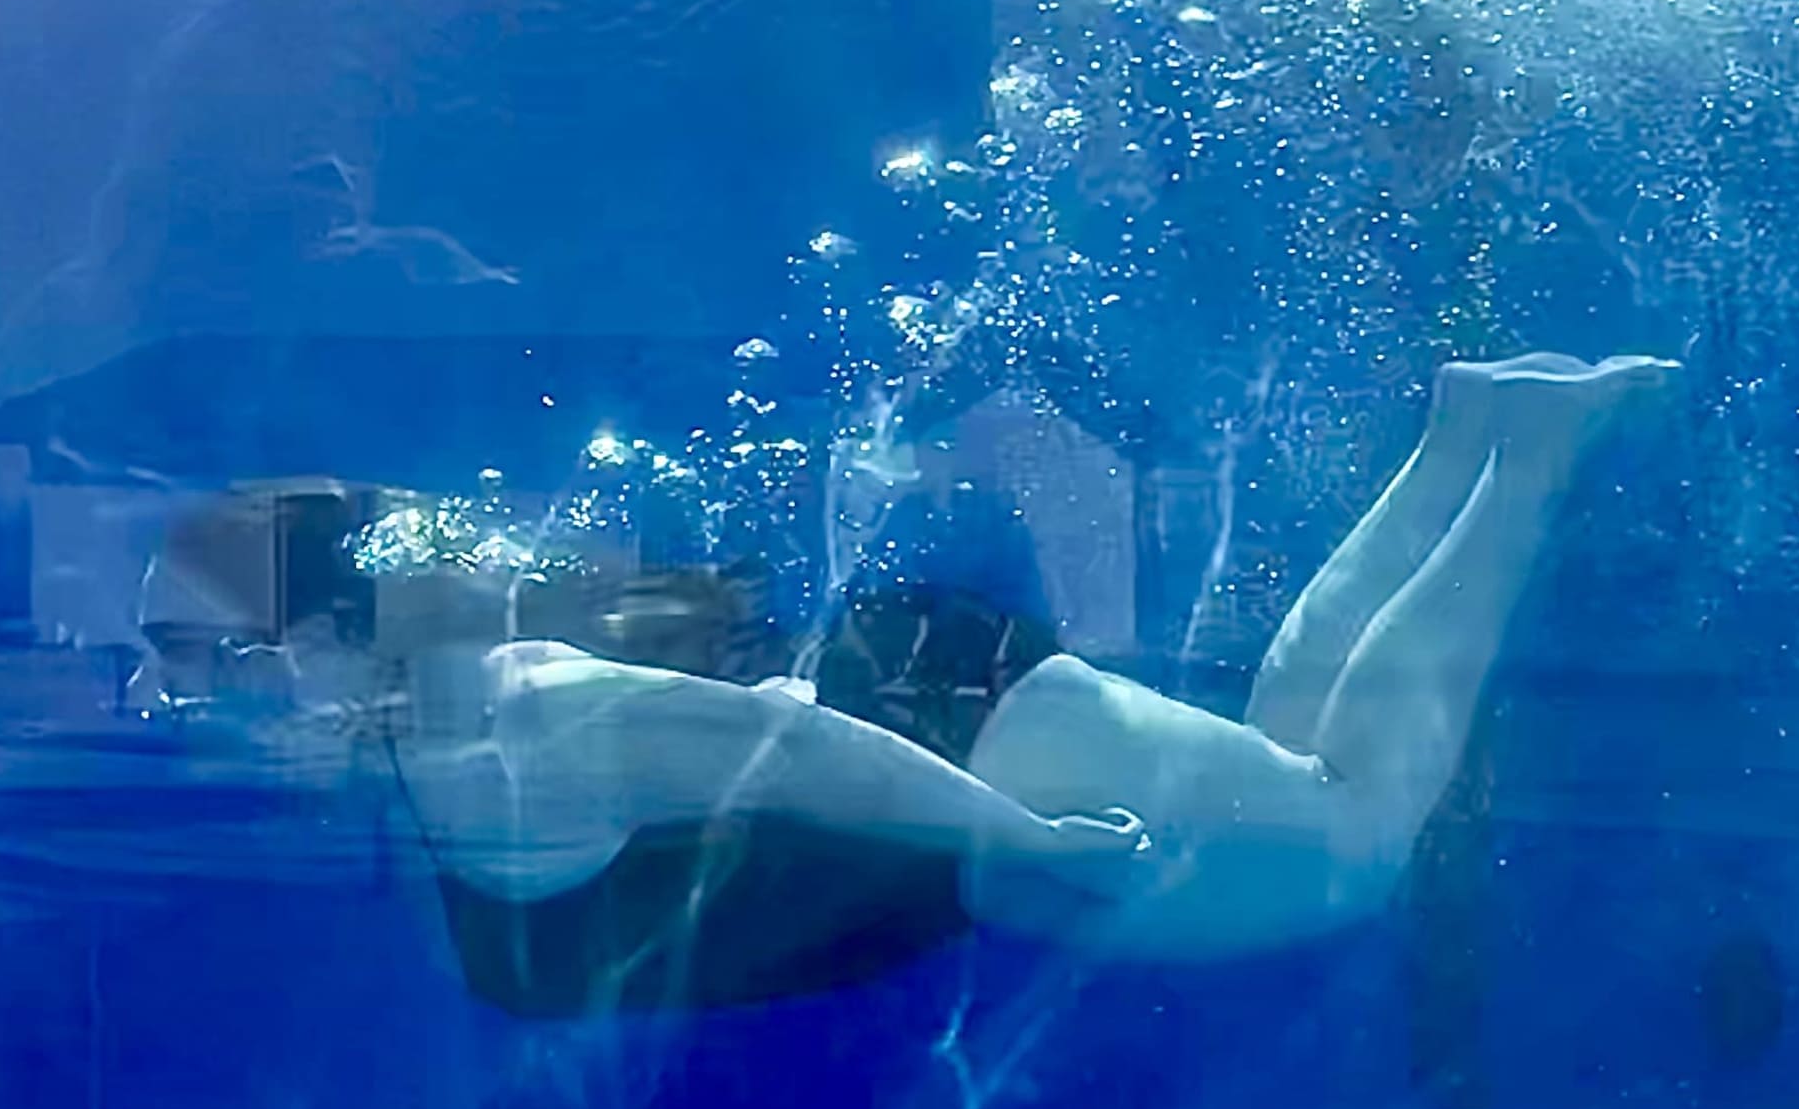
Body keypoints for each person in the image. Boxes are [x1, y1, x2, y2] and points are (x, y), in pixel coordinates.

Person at [386, 350, 1672, 998]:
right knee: (1302, 778)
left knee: (1360, 837)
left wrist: (1029, 833)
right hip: (946, 748)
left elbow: (785, 749)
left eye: (206, 657)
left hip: (962, 764)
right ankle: (1466, 435)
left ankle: (1529, 459)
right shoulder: (464, 724)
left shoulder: (490, 739)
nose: (185, 694)